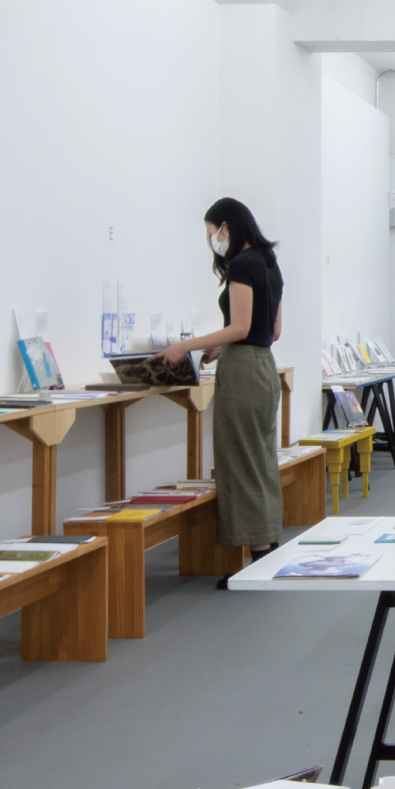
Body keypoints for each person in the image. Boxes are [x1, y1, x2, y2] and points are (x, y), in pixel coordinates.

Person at [158, 197, 286, 584]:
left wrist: (187, 345)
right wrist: (223, 345)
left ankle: (258, 559)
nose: (213, 239)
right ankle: (268, 547)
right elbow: (272, 331)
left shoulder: (242, 264)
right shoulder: (269, 262)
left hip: (243, 372)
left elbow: (240, 328)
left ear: (227, 226)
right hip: (264, 365)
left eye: (213, 232)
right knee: (260, 459)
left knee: (239, 462)